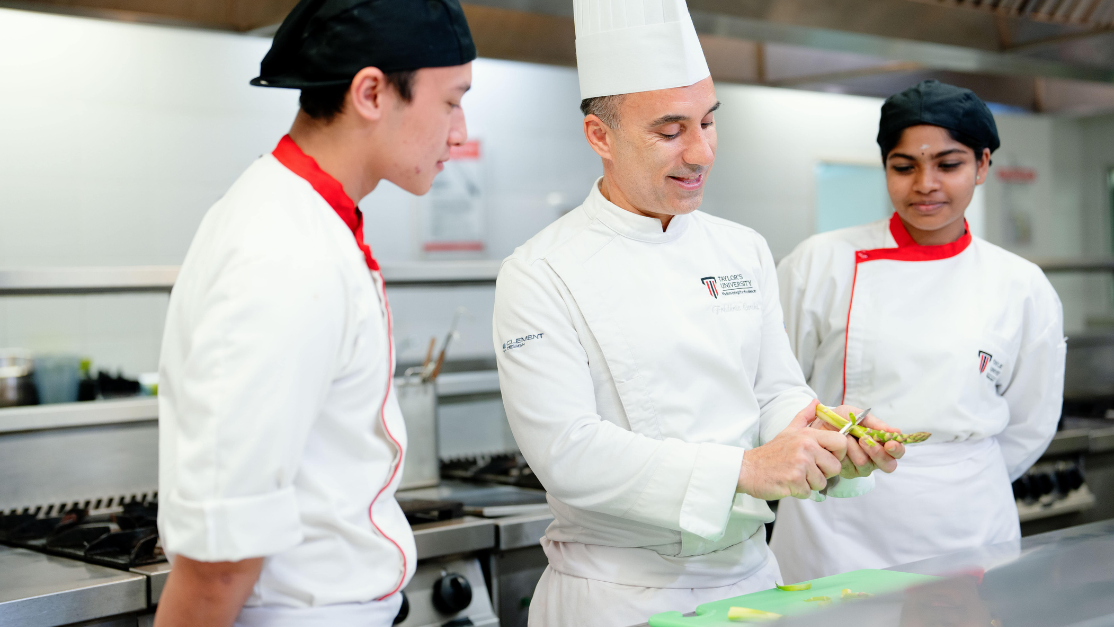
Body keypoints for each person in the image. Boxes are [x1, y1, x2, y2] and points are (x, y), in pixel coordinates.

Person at [491, 1, 905, 624]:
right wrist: (745, 470)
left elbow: (773, 389)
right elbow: (568, 452)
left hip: (752, 580)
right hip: (617, 594)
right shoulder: (540, 271)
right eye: (671, 131)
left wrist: (823, 435)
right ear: (600, 136)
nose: (703, 152)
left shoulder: (742, 248)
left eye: (709, 122)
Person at [153, 1, 475, 625]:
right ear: (372, 93)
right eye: (451, 102)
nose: (460, 133)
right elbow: (221, 560)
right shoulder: (282, 249)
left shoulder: (309, 221)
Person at [770, 80, 1066, 583]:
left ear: (983, 165)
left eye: (948, 165)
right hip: (837, 515)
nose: (925, 184)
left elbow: (1031, 421)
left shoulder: (1020, 284)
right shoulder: (819, 262)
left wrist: (954, 469)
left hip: (967, 517)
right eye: (904, 167)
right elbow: (776, 389)